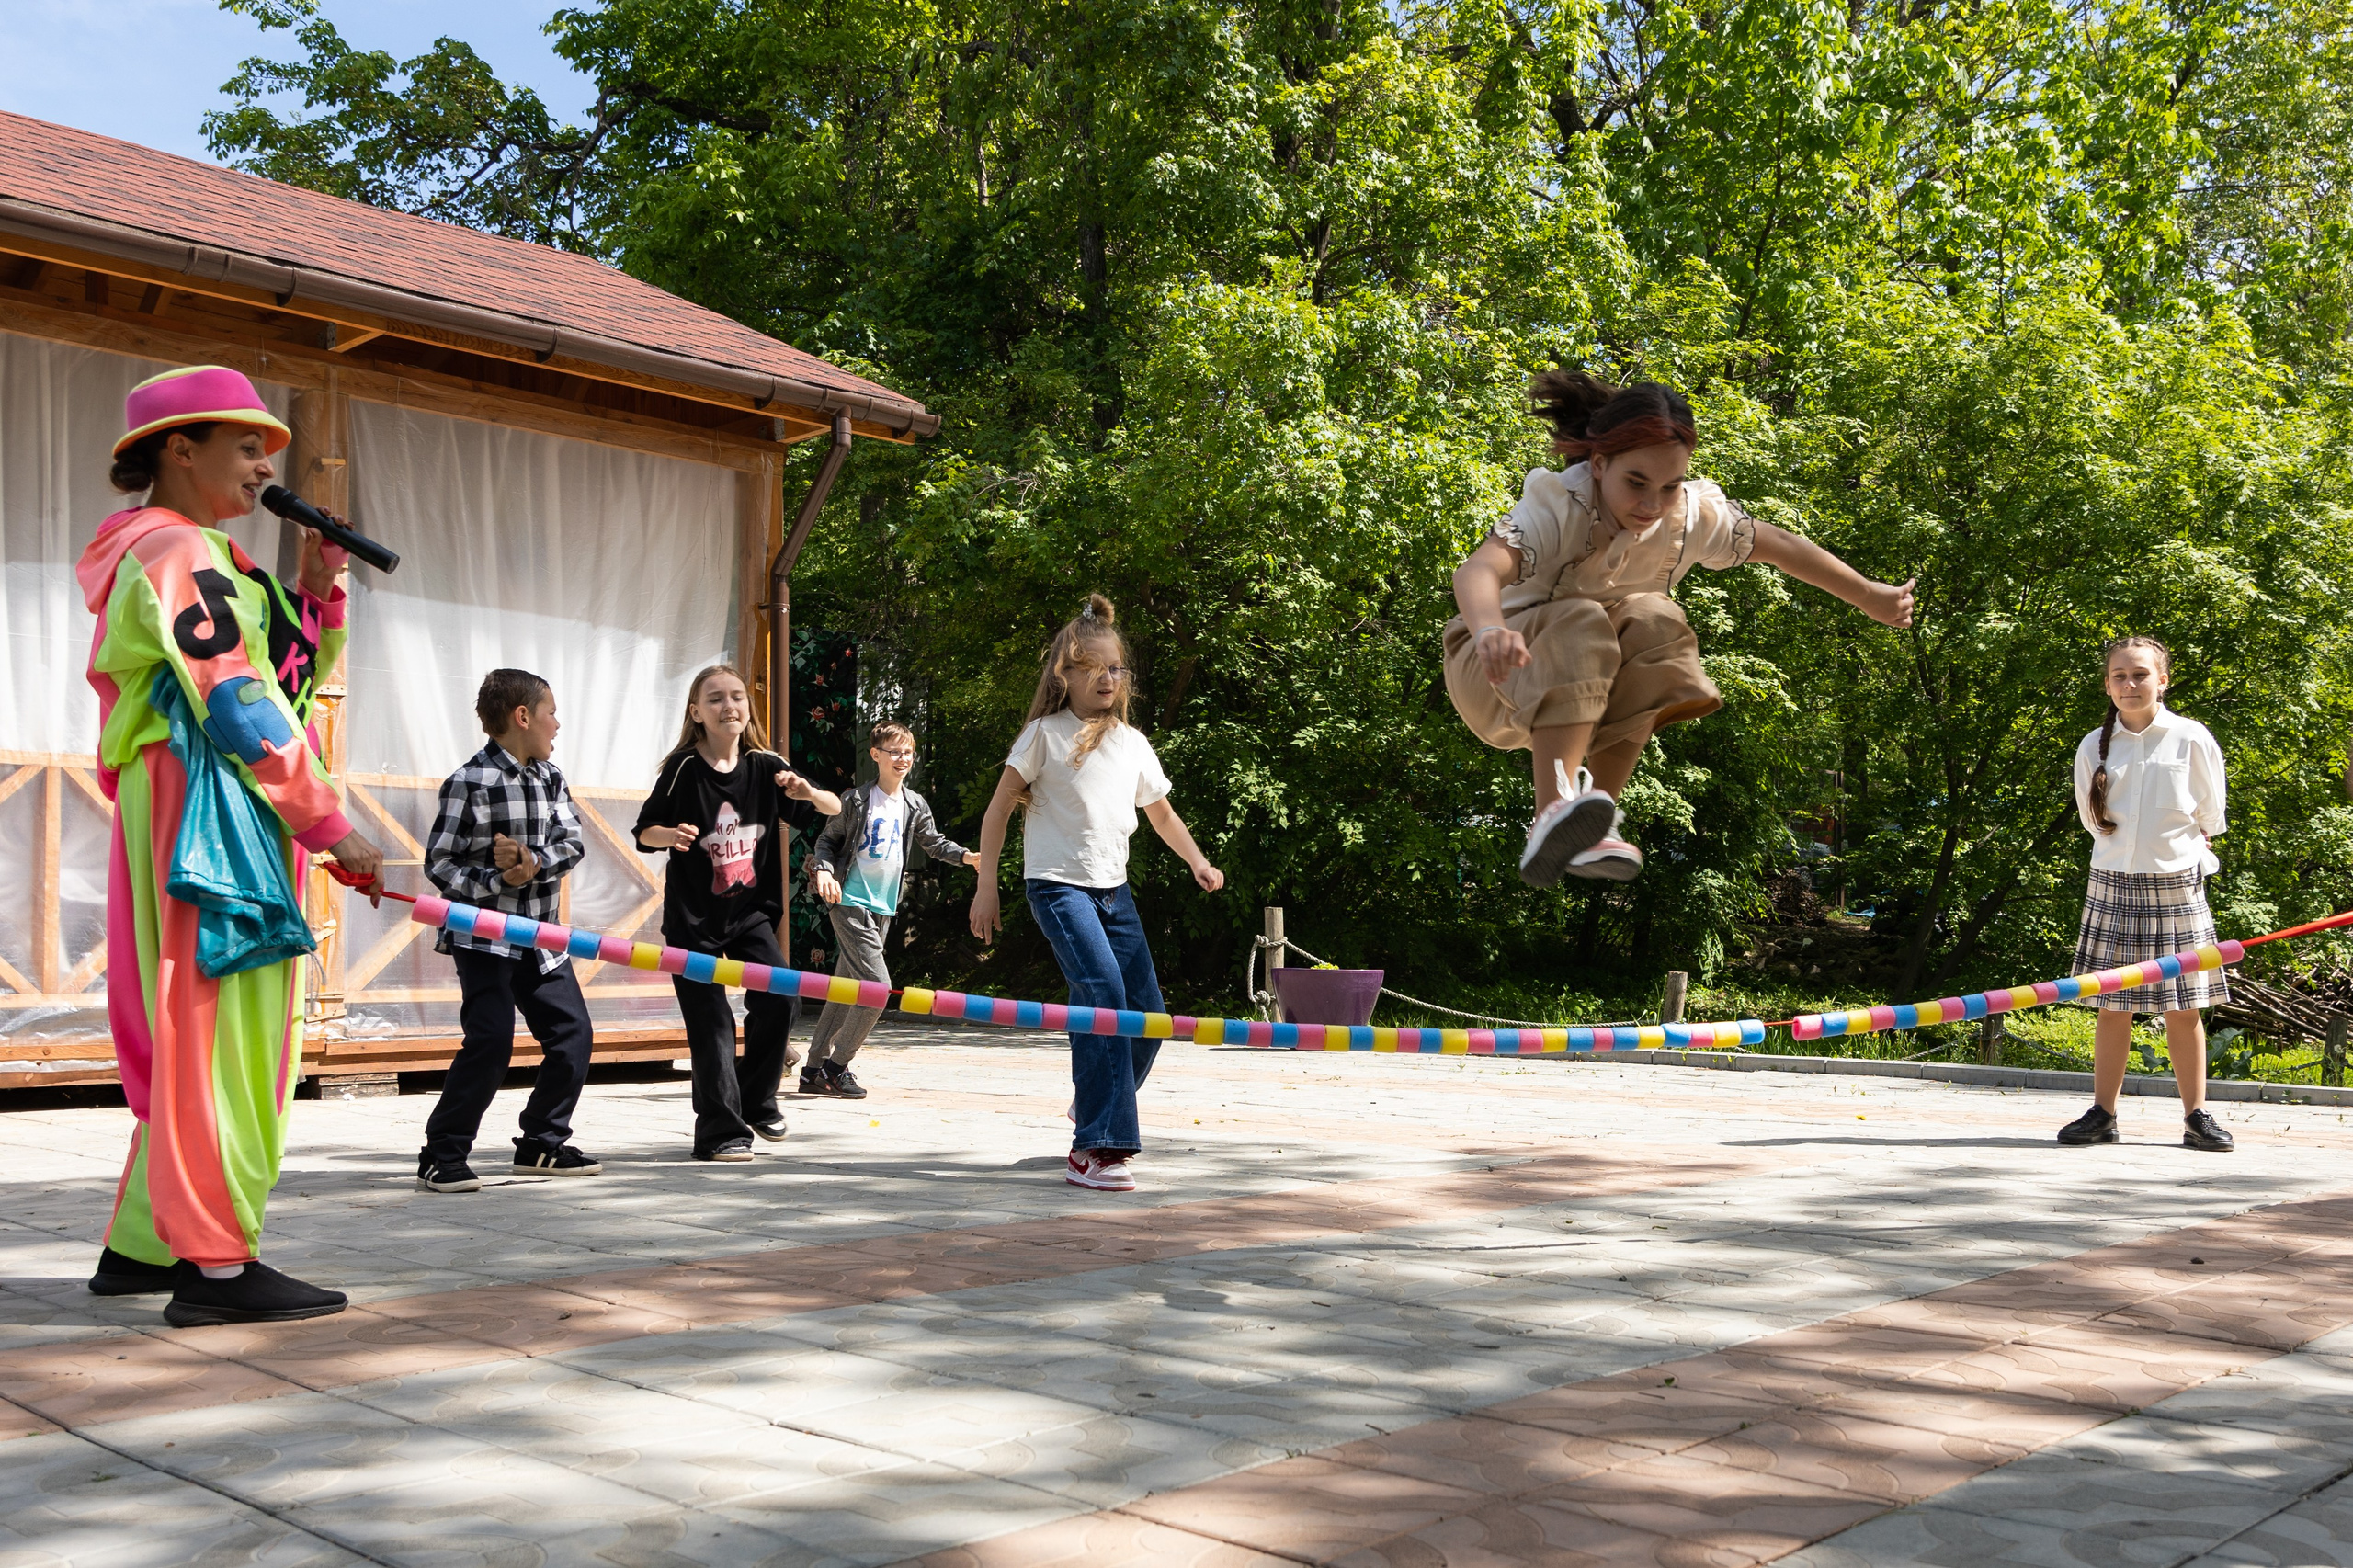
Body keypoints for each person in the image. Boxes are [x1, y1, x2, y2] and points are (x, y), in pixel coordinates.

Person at [79, 364, 383, 1325]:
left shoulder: (198, 554)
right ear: (179, 445)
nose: (263, 464)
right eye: (246, 443)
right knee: (223, 1028)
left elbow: (278, 678)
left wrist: (316, 585)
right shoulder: (174, 549)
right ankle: (213, 1264)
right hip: (204, 804)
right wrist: (329, 823)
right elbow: (236, 696)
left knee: (200, 1019)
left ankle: (142, 1244)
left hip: (207, 796)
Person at [1449, 372, 1915, 885]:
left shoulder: (1689, 518)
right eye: (1636, 483)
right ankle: (1552, 809)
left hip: (1584, 690)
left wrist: (1870, 595)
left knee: (1656, 617)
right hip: (1491, 671)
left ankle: (1592, 819)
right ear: (1599, 464)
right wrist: (1491, 628)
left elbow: (1780, 544)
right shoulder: (1560, 507)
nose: (1651, 505)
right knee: (1583, 617)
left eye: (1669, 487)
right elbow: (1478, 570)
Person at [969, 596, 1225, 1192]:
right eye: (1096, 668)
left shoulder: (1131, 742)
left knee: (1151, 1017)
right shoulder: (1043, 735)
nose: (1110, 678)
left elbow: (1161, 815)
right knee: (1105, 995)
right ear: (1067, 675)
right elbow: (999, 809)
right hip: (1058, 889)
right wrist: (987, 885)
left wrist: (1198, 861)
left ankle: (1094, 1102)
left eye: (1117, 668)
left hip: (1114, 893)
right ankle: (1097, 1149)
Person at [634, 665, 840, 1160]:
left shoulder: (767, 765)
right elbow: (645, 831)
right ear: (696, 713)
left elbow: (833, 808)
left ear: (748, 708)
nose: (730, 706)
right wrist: (673, 835)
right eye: (716, 699)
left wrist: (806, 792)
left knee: (781, 998)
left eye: (737, 697)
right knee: (713, 1024)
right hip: (693, 918)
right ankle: (720, 1132)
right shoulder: (683, 768)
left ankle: (757, 1099)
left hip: (751, 914)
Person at [416, 670, 604, 1192]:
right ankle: (442, 1153)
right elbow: (441, 864)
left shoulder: (552, 779)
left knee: (572, 1037)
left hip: (541, 938)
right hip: (484, 938)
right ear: (523, 717)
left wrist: (533, 863)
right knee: (492, 1040)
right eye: (552, 712)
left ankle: (542, 1142)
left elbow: (572, 843)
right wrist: (496, 880)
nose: (557, 725)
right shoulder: (468, 782)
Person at [2056, 637, 2235, 1153]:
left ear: (2163, 680)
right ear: (2107, 684)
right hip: (2112, 883)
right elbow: (2094, 821)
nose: (2129, 685)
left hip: (2177, 885)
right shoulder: (2094, 744)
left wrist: (2173, 854)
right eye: (2119, 676)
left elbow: (2211, 814)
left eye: (2139, 675)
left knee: (2185, 1006)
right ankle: (2103, 1114)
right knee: (2113, 1005)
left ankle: (2197, 1116)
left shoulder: (2190, 737)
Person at [804, 722, 981, 1097]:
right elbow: (827, 842)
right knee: (878, 989)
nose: (903, 759)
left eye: (908, 753)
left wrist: (966, 857)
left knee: (846, 989)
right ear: (876, 755)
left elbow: (933, 843)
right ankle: (838, 1067)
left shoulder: (914, 803)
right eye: (895, 752)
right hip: (848, 900)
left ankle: (813, 1068)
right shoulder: (855, 800)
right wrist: (823, 871)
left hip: (883, 907)